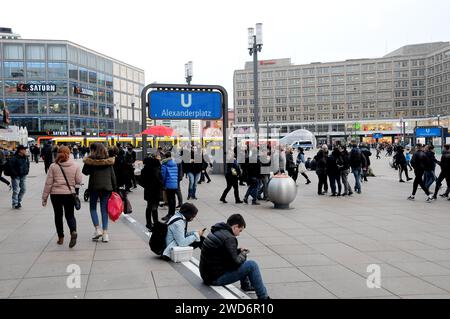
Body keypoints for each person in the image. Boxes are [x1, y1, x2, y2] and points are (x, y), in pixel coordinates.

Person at [199, 214, 270, 299]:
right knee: (252, 265)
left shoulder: (217, 230)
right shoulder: (229, 238)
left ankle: (246, 285)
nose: (239, 234)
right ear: (235, 226)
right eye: (240, 231)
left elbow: (223, 253)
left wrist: (238, 251)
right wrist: (243, 254)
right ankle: (264, 298)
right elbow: (235, 263)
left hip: (206, 274)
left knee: (242, 258)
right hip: (214, 278)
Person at [42, 146, 82, 248]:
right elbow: (78, 181)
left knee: (58, 215)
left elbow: (48, 183)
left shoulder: (53, 166)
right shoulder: (75, 165)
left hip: (55, 195)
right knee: (70, 215)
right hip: (69, 194)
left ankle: (61, 238)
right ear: (69, 153)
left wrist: (44, 198)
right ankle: (73, 231)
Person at [82, 143, 116, 242]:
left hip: (94, 187)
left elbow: (85, 172)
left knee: (93, 208)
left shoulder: (92, 161)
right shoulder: (108, 161)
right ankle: (105, 234)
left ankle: (97, 230)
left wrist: (89, 157)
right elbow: (113, 176)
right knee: (104, 209)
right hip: (107, 188)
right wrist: (115, 189)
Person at [141, 154, 163, 231]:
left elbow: (141, 181)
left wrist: (146, 186)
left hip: (148, 191)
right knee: (154, 207)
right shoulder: (156, 169)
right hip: (155, 191)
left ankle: (148, 223)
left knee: (149, 207)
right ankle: (156, 223)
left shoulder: (144, 170)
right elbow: (159, 180)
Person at [9, 145, 30, 209]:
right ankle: (15, 203)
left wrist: (26, 171)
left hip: (23, 175)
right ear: (20, 150)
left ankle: (18, 201)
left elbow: (28, 165)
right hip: (16, 176)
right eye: (24, 149)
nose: (25, 151)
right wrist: (14, 174)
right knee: (16, 190)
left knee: (23, 189)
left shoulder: (25, 157)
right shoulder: (14, 158)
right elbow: (11, 167)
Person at [161, 151, 179, 221]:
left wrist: (163, 184)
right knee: (173, 199)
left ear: (165, 157)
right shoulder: (175, 163)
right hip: (174, 184)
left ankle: (169, 214)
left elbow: (163, 175)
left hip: (168, 184)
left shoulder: (164, 164)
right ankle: (173, 213)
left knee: (169, 200)